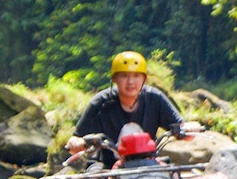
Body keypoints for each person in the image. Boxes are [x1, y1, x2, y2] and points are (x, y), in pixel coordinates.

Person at [65, 51, 200, 165]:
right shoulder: (100, 103)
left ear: (144, 79)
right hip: (107, 167)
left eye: (136, 76)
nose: (130, 82)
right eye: (124, 76)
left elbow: (182, 129)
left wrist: (190, 128)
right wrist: (77, 143)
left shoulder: (155, 98)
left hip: (148, 162)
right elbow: (75, 140)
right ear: (115, 79)